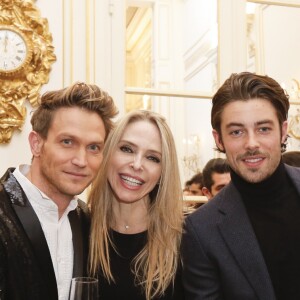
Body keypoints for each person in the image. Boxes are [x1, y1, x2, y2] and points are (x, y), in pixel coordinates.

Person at [181, 72, 300, 300]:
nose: (251, 143)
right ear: (219, 140)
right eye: (237, 132)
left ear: (283, 131)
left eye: (263, 129)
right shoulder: (201, 230)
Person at [0, 82, 118, 300]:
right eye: (67, 142)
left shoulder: (86, 219)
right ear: (36, 144)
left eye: (93, 147)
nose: (81, 161)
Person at [88, 110, 184, 300]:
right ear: (107, 154)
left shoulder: (185, 241)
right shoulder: (80, 229)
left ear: (162, 173)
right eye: (127, 149)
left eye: (153, 158)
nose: (137, 164)